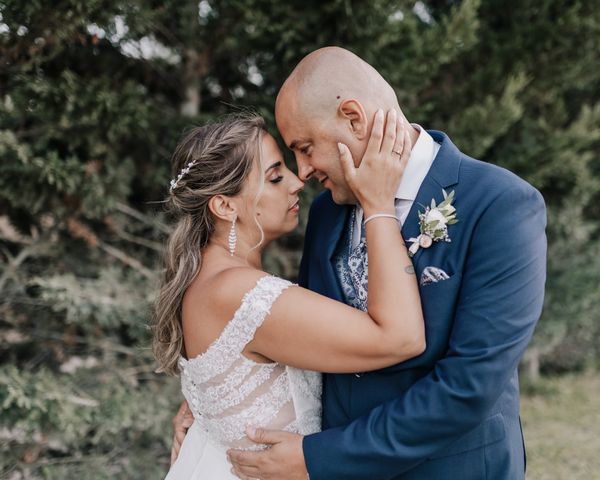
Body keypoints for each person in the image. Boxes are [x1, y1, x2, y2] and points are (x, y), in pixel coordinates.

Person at [174, 46, 548, 479]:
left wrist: (323, 457)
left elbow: (468, 388)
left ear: (353, 117)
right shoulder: (329, 212)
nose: (304, 171)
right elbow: (302, 338)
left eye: (306, 147)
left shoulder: (499, 204)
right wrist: (216, 402)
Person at [154, 111, 426, 480]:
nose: (298, 182)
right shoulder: (243, 294)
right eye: (275, 176)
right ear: (224, 206)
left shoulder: (207, 281)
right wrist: (379, 206)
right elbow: (401, 337)